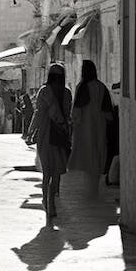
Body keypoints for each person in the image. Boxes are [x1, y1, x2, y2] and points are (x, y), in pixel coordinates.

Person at [68, 59, 114, 197]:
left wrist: (74, 123)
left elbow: (76, 111)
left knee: (87, 156)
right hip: (99, 127)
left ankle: (90, 188)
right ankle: (94, 187)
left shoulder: (82, 87)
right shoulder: (101, 87)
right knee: (98, 153)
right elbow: (108, 113)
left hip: (84, 128)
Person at [35, 63, 72, 224]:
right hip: (61, 136)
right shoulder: (67, 93)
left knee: (46, 173)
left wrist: (30, 131)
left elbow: (38, 113)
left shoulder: (44, 92)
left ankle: (46, 200)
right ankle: (52, 202)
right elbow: (66, 114)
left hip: (45, 135)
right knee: (56, 172)